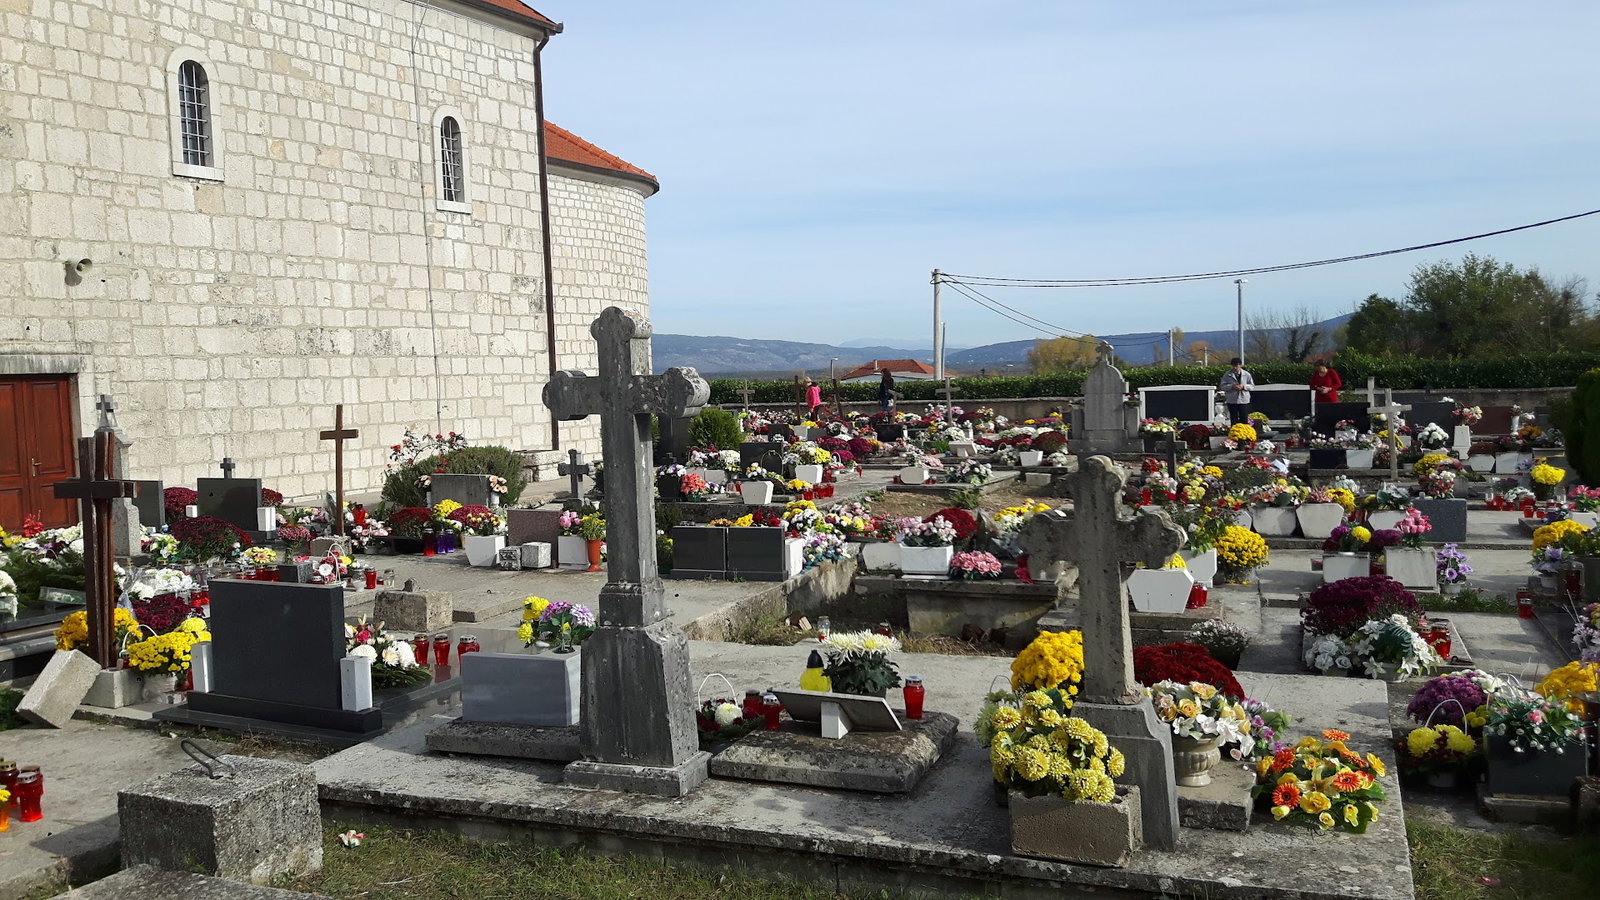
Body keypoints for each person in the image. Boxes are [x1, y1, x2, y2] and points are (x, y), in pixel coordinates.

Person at [1218, 357, 1254, 426]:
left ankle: (1245, 433)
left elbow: (1252, 386)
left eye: (1236, 366)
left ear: (1240, 365)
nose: (1235, 368)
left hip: (1243, 400)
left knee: (1244, 418)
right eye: (1233, 366)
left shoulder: (1247, 374)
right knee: (1233, 418)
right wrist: (1232, 386)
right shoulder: (1227, 375)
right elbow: (1222, 386)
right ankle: (1234, 433)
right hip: (1232, 400)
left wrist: (1243, 386)